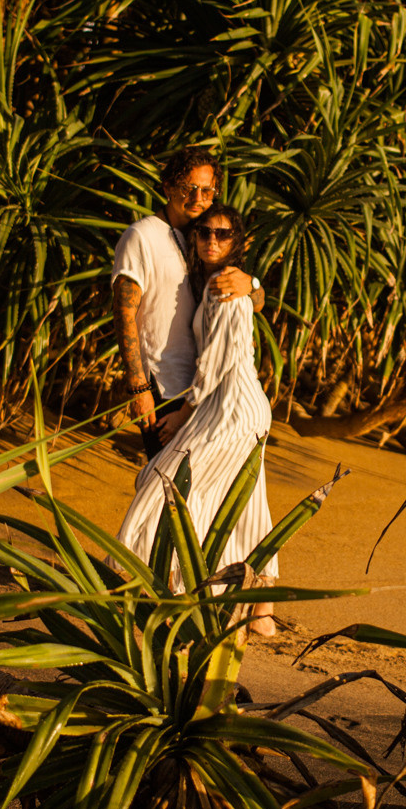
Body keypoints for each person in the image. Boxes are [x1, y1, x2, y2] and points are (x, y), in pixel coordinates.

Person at [115, 202, 277, 635]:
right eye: (205, 232)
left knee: (161, 480)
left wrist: (184, 415)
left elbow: (216, 363)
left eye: (223, 235)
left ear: (237, 243)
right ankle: (257, 610)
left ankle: (140, 581)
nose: (211, 240)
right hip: (237, 406)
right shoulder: (212, 284)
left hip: (229, 407)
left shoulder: (226, 287)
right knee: (241, 505)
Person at [111, 147, 261, 460]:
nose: (197, 198)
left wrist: (251, 283)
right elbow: (124, 313)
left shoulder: (203, 237)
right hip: (161, 387)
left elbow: (251, 304)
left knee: (191, 492)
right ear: (167, 187)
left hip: (200, 391)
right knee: (166, 485)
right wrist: (139, 389)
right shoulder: (142, 236)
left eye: (207, 191)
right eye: (187, 188)